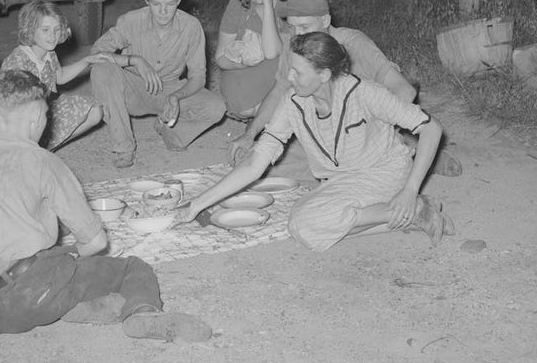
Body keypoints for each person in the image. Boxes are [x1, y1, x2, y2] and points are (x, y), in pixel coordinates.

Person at [0, 69, 213, 343]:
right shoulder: (43, 162)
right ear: (38, 119)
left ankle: (74, 303)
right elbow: (96, 242)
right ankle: (143, 314)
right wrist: (69, 262)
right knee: (132, 268)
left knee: (57, 274)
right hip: (31, 293)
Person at [178, 32, 455, 251]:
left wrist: (409, 189)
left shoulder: (365, 93)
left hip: (383, 173)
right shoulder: (293, 103)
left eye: (297, 72)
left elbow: (432, 129)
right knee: (308, 229)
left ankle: (411, 205)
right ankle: (413, 213)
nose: (289, 77)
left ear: (324, 75)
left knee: (304, 221)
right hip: (343, 182)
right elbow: (255, 161)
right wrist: (197, 204)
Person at [227, 0, 463, 177]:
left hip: (368, 125)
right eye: (292, 26)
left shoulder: (352, 42)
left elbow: (405, 90)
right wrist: (251, 134)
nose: (298, 34)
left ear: (326, 20)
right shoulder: (296, 47)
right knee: (264, 163)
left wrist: (372, 134)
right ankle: (408, 151)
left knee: (332, 170)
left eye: (305, 26)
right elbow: (279, 90)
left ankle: (414, 153)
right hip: (328, 130)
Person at [89, 0, 226, 168]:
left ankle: (171, 131)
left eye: (170, 4)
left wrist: (176, 96)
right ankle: (123, 147)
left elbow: (198, 77)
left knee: (217, 106)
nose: (163, 11)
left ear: (179, 1)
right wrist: (134, 60)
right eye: (156, 5)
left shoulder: (191, 27)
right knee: (101, 69)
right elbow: (95, 53)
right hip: (132, 90)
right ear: (147, 2)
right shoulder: (130, 21)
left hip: (169, 89)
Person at [1, 1, 108, 150]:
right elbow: (7, 106)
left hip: (44, 112)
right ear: (30, 30)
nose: (53, 36)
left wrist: (86, 61)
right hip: (21, 122)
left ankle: (47, 148)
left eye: (57, 29)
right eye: (45, 30)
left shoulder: (50, 54)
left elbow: (60, 76)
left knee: (95, 111)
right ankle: (29, 150)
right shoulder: (18, 61)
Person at [215, 0, 293, 119]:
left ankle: (269, 115)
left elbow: (272, 52)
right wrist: (243, 61)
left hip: (277, 72)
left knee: (285, 49)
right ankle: (265, 115)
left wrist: (267, 6)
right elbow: (220, 58)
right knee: (242, 107)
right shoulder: (239, 4)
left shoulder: (290, 6)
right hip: (244, 69)